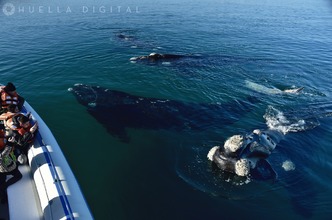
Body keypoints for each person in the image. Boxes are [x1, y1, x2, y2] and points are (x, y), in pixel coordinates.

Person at [0, 138, 22, 204]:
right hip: (9, 167)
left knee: (1, 181)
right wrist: (10, 143)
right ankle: (6, 185)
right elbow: (4, 154)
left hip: (2, 170)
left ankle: (3, 197)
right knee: (19, 176)